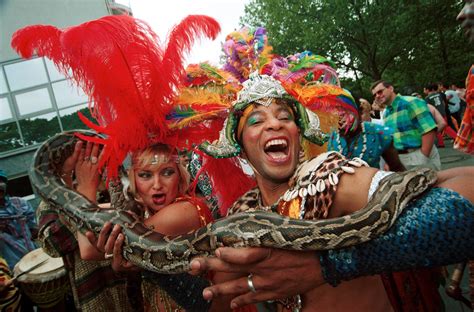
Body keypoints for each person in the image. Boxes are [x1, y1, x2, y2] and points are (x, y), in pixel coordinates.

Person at [190, 73, 474, 311]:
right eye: (256, 121)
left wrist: (330, 263)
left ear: (297, 135)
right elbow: (222, 296)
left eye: (284, 117)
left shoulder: (328, 179)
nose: (274, 124)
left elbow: (466, 198)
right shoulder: (242, 213)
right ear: (240, 148)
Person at [372, 80, 441, 170]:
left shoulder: (411, 102)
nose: (377, 96)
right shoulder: (386, 113)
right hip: (399, 159)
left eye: (380, 91)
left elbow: (428, 130)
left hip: (418, 153)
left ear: (391, 88)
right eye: (374, 95)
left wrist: (423, 156)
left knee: (430, 183)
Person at [327, 98, 405, 171]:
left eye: (345, 111)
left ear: (357, 112)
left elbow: (397, 168)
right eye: (335, 112)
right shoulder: (333, 137)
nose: (340, 116)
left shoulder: (377, 133)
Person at [0, 169, 37, 270]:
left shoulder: (20, 203)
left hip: (34, 256)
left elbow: (34, 229)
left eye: (0, 182)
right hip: (11, 264)